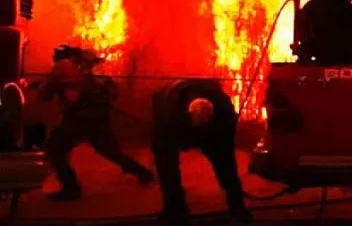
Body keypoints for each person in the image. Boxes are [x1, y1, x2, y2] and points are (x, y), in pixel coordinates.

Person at [41, 44, 154, 200]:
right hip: (98, 116)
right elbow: (110, 92)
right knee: (109, 151)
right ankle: (144, 174)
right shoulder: (93, 70)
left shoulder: (62, 66)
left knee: (55, 148)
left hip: (79, 117)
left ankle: (71, 188)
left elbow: (45, 93)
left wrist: (48, 87)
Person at [151, 78, 251, 225]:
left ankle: (237, 207)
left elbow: (227, 142)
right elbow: (165, 148)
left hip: (213, 133)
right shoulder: (170, 112)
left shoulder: (223, 107)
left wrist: (223, 151)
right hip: (176, 126)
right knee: (166, 166)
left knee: (227, 167)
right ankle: (175, 208)